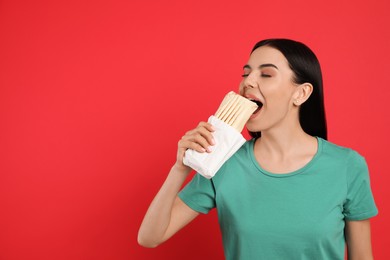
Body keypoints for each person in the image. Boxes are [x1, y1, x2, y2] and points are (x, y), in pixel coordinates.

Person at [137, 38, 378, 259]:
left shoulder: (346, 166)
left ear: (301, 93)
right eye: (246, 73)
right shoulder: (223, 161)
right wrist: (180, 168)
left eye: (266, 75)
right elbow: (149, 237)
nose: (247, 82)